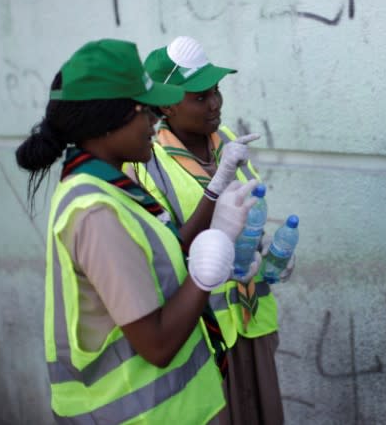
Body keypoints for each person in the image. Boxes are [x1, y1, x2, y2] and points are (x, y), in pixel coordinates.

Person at [15, 39, 259, 424]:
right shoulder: (95, 212)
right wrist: (208, 264)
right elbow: (157, 344)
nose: (153, 123)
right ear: (108, 121)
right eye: (145, 111)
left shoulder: (113, 191)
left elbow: (159, 269)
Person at [134, 36, 292, 425]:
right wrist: (216, 185)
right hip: (203, 331)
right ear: (168, 105)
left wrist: (267, 250)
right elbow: (172, 249)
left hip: (251, 319)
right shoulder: (146, 163)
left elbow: (248, 216)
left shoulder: (227, 144)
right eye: (200, 97)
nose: (215, 103)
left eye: (216, 91)